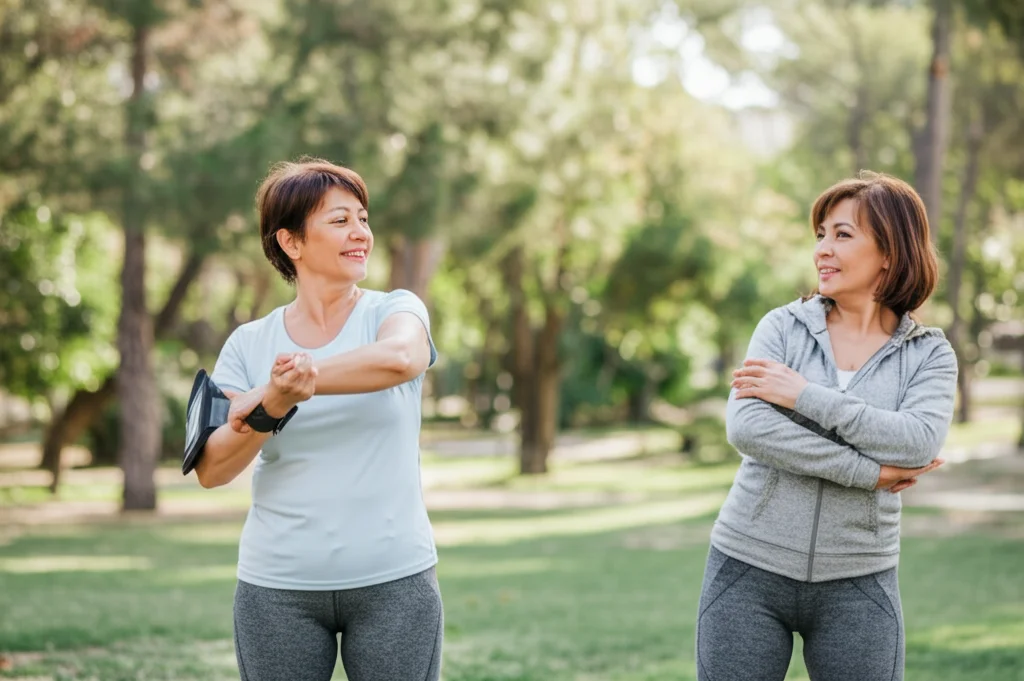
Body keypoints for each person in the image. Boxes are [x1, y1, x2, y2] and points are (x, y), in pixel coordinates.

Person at [695, 172, 958, 681]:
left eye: (842, 235)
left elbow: (919, 440)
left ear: (890, 251)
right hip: (746, 567)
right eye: (820, 235)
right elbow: (748, 428)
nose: (822, 250)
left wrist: (803, 396)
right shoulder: (781, 327)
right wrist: (867, 472)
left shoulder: (929, 355)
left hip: (860, 578)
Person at [193, 157, 443, 681]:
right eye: (339, 220)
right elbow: (213, 469)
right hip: (276, 589)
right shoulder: (248, 344)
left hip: (394, 581)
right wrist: (275, 404)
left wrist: (286, 382)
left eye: (363, 218)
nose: (361, 233)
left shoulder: (395, 310)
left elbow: (400, 359)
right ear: (291, 243)